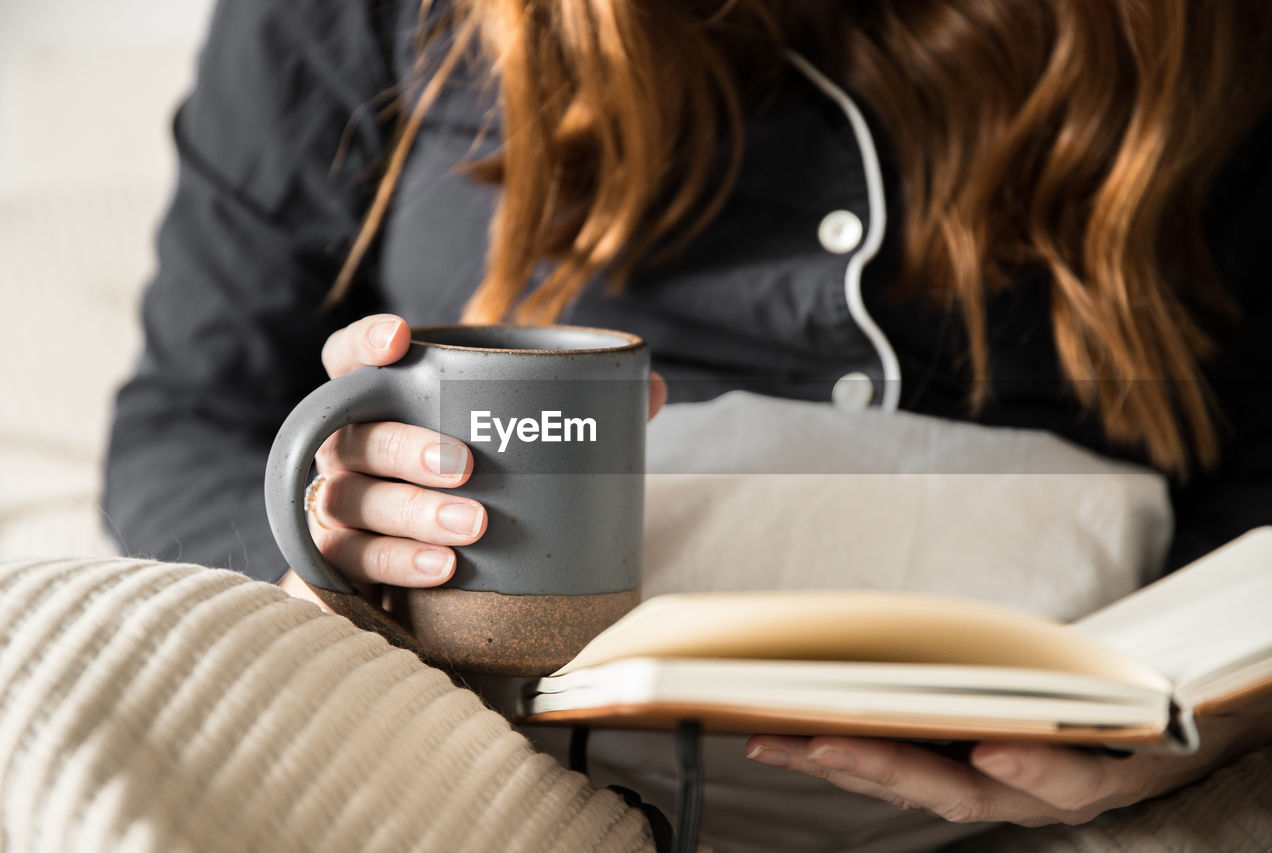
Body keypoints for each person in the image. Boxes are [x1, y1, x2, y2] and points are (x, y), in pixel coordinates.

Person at [102, 0, 1272, 847]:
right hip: (479, 711)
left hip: (1072, 709)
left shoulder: (1204, 39)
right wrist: (331, 559)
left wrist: (1213, 713)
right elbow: (188, 417)